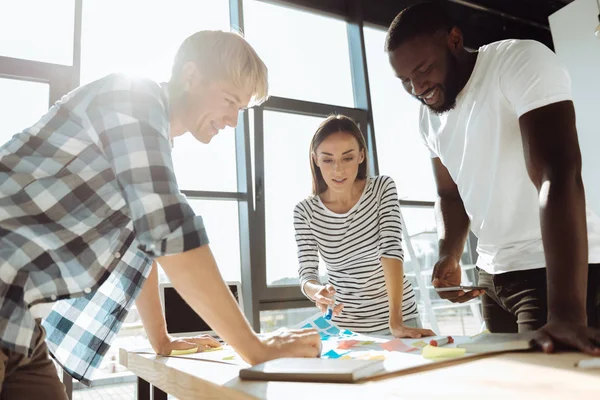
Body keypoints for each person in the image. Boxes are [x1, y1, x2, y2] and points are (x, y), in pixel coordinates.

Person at [0, 30, 320, 399]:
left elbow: (144, 243)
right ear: (190, 76)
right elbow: (167, 228)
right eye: (230, 101)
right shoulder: (132, 99)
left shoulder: (150, 141)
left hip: (20, 316)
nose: (232, 120)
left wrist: (161, 339)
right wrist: (255, 347)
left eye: (240, 109)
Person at [385, 1, 600, 354]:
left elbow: (557, 173)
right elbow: (449, 194)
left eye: (423, 69)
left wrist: (566, 313)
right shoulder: (429, 118)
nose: (417, 87)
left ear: (454, 40)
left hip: (551, 273)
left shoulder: (519, 61)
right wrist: (449, 254)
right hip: (492, 278)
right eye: (404, 80)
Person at [294, 114, 436, 338]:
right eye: (328, 159)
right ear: (315, 159)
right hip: (347, 329)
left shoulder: (382, 188)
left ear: (361, 155)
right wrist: (317, 292)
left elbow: (390, 250)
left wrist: (395, 320)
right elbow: (307, 273)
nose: (338, 170)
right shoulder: (305, 212)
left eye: (347, 158)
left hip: (399, 318)